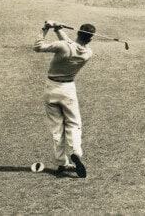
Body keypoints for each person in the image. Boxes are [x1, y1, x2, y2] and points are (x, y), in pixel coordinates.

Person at [34, 20, 95, 178]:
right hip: (68, 90)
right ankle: (76, 152)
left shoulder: (63, 47)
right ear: (90, 39)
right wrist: (58, 29)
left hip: (51, 88)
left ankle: (62, 162)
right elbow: (71, 45)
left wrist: (46, 28)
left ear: (78, 33)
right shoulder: (88, 54)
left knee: (57, 128)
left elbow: (38, 47)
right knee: (74, 124)